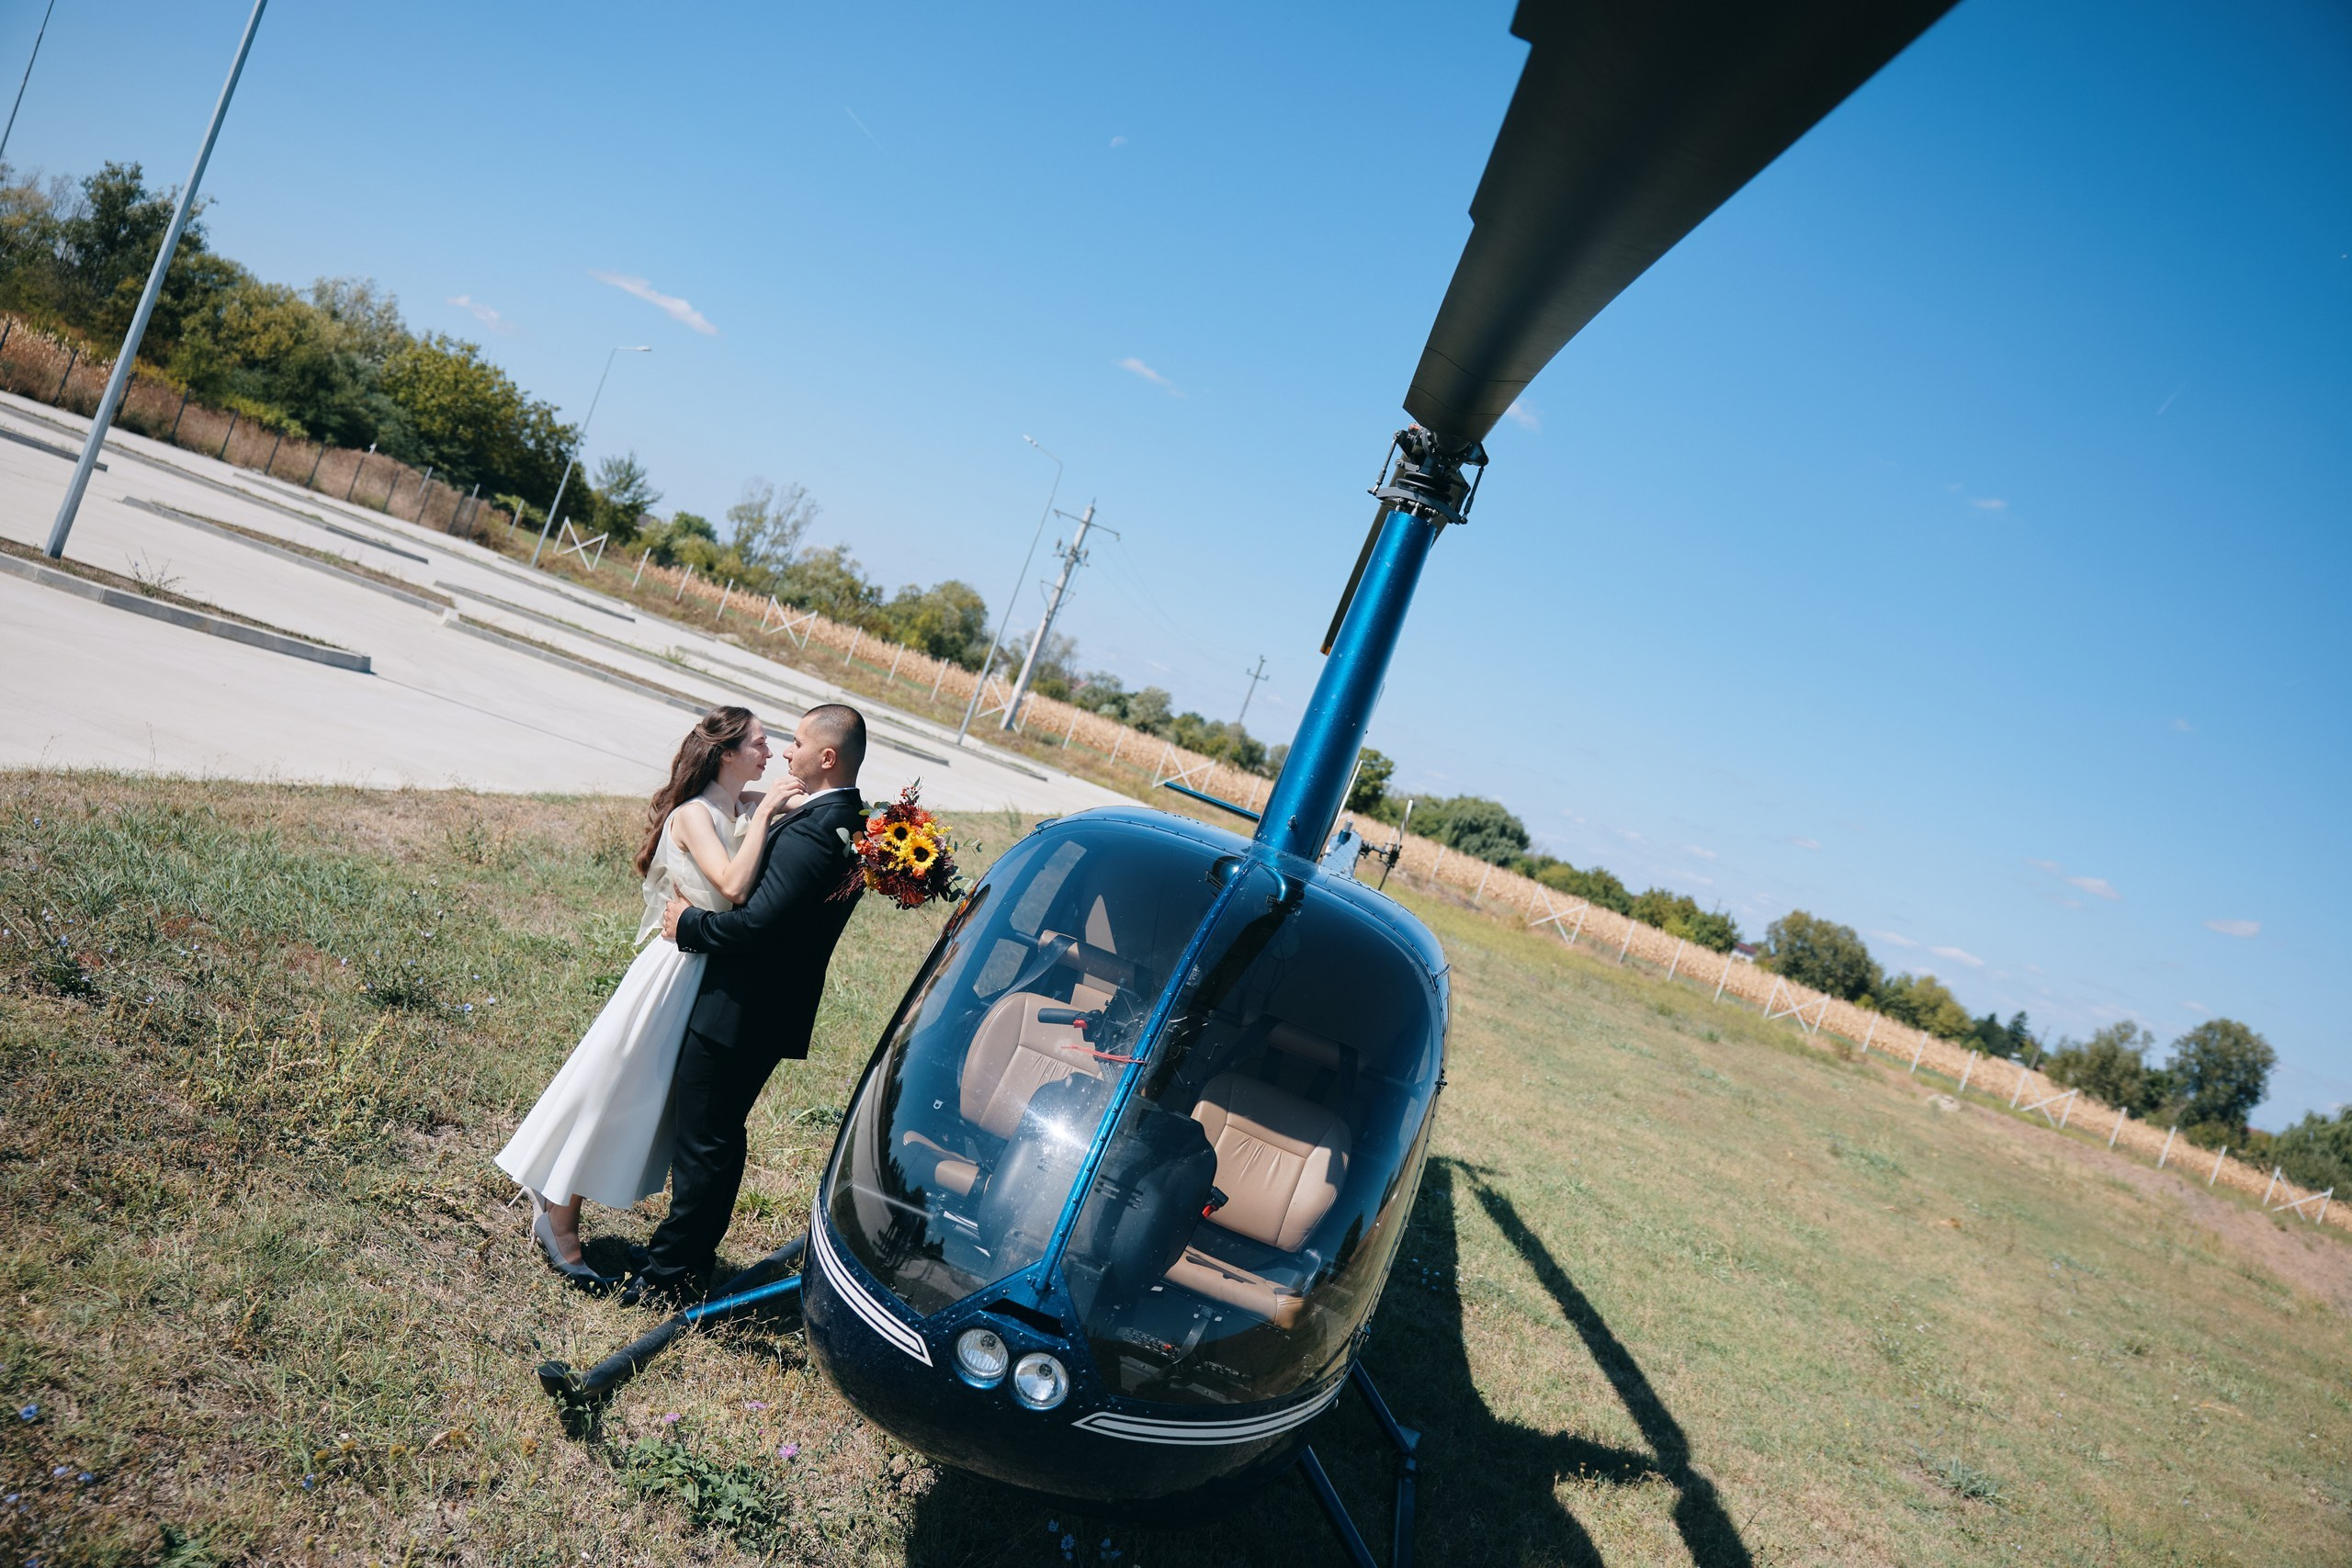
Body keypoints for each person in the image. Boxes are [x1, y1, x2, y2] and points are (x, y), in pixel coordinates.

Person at [494, 705, 798, 1291]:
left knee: (645, 1099)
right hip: (675, 970)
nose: (771, 754)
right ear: (728, 753)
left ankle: (557, 1193)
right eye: (760, 744)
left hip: (711, 974)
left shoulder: (743, 806)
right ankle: (559, 1216)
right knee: (618, 1086)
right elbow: (732, 887)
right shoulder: (694, 814)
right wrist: (766, 816)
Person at [622, 702, 869, 1307]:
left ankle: (668, 1278)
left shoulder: (820, 828)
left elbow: (758, 924)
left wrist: (688, 924)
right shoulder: (838, 817)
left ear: (827, 757)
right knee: (716, 1137)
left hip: (743, 1008)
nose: (787, 750)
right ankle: (685, 1260)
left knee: (705, 1141)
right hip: (761, 1006)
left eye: (798, 742)